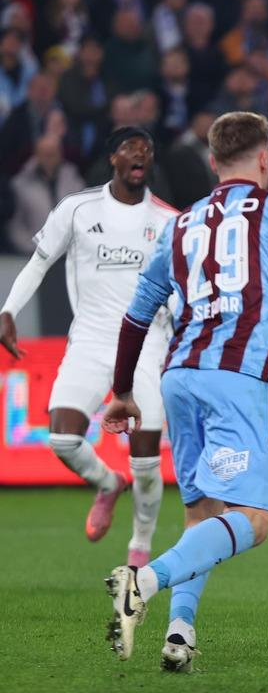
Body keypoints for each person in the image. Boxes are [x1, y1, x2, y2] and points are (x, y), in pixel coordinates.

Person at [99, 112, 268, 671]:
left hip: (179, 377)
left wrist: (122, 392)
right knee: (252, 521)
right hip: (239, 379)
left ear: (211, 163)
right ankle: (142, 581)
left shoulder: (181, 225)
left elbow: (136, 316)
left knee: (203, 514)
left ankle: (179, 634)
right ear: (265, 158)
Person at [0, 127, 175, 565]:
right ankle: (106, 482)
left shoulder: (168, 221)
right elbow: (38, 264)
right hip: (92, 340)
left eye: (146, 150)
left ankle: (139, 549)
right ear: (112, 158)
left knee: (147, 461)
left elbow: (182, 288)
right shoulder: (78, 210)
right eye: (130, 149)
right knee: (61, 437)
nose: (140, 155)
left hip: (148, 344)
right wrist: (8, 311)